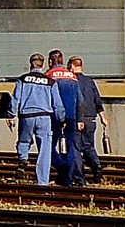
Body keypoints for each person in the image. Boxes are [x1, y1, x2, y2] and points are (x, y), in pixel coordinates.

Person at [8, 52, 64, 186]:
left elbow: (15, 98)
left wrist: (11, 115)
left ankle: (23, 158)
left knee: (23, 140)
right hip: (44, 117)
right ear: (43, 65)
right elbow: (57, 103)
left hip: (26, 117)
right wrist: (61, 119)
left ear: (30, 64)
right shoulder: (50, 82)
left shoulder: (22, 79)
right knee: (45, 150)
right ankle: (42, 181)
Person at [46, 49, 84, 186]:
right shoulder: (72, 77)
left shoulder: (49, 76)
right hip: (72, 117)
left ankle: (61, 166)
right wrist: (79, 118)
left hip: (54, 116)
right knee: (71, 147)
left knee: (48, 145)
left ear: (50, 62)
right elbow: (80, 100)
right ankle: (67, 179)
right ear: (62, 61)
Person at [70, 56, 107, 182]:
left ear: (71, 66)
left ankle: (79, 176)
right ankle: (96, 165)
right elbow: (98, 101)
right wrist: (103, 118)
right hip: (91, 118)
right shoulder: (90, 82)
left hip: (77, 119)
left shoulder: (72, 81)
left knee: (76, 147)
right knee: (89, 146)